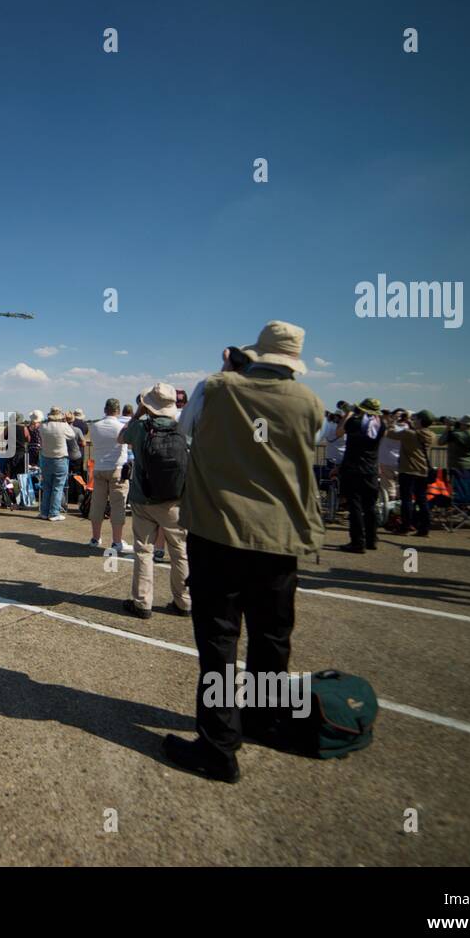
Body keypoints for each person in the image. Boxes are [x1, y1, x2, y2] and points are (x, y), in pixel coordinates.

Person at [168, 321, 324, 783]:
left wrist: (224, 372)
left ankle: (218, 745)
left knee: (219, 641)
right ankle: (265, 719)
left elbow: (184, 429)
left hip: (219, 531)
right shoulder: (311, 402)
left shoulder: (215, 387)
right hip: (280, 536)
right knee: (272, 636)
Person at [118, 385, 188, 618]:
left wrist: (138, 414)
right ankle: (184, 601)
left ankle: (142, 602)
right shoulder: (183, 428)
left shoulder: (139, 428)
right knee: (180, 551)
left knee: (143, 550)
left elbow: (121, 437)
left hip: (143, 497)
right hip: (175, 499)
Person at [336, 398, 386, 553]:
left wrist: (348, 414)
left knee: (355, 506)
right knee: (370, 507)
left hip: (353, 469)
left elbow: (339, 432)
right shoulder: (380, 425)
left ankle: (357, 542)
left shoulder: (355, 423)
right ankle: (372, 539)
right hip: (370, 470)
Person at [88, 398, 131, 552]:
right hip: (117, 469)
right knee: (118, 506)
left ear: (105, 409)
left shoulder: (94, 426)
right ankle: (117, 541)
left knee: (97, 504)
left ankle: (95, 538)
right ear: (118, 411)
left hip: (99, 468)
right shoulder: (121, 427)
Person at [394, 410, 435, 537]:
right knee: (422, 499)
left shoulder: (408, 434)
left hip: (408, 470)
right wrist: (411, 423)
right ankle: (424, 528)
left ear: (421, 421)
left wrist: (393, 421)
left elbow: (390, 434)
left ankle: (405, 526)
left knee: (406, 499)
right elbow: (417, 433)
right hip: (423, 471)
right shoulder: (431, 435)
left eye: (415, 419)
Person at [37, 407, 80, 520]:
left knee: (47, 486)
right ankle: (54, 513)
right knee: (58, 487)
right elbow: (72, 435)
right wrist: (65, 422)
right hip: (60, 459)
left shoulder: (43, 426)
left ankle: (44, 512)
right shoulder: (63, 426)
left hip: (46, 459)